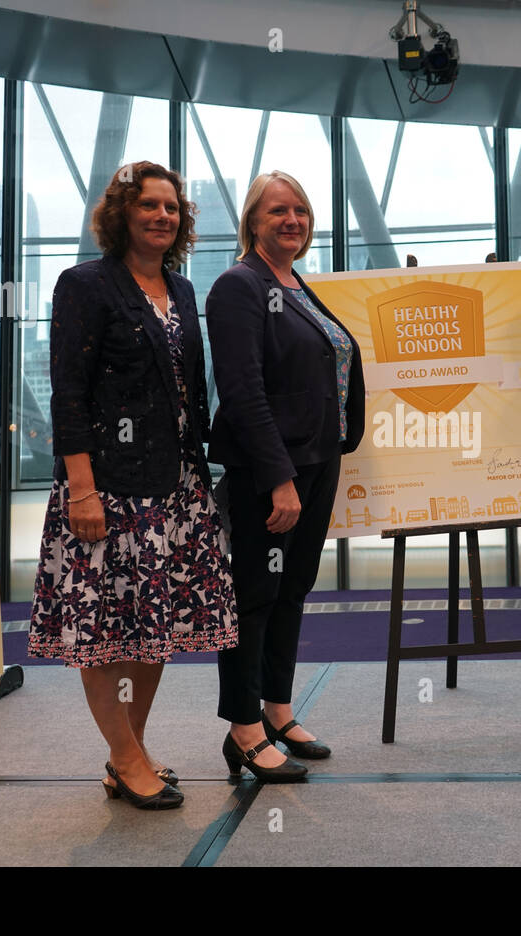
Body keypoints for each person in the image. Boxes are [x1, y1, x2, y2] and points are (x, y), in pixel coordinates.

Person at [28, 161, 238, 808]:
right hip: (108, 490)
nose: (162, 215)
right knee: (102, 629)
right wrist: (82, 488)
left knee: (156, 626)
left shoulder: (180, 287)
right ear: (122, 213)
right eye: (149, 204)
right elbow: (69, 391)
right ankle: (123, 754)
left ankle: (132, 750)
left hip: (175, 487)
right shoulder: (85, 284)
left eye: (172, 207)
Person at [206, 171, 365, 783]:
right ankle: (243, 729)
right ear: (252, 220)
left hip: (316, 461)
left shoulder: (293, 283)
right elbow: (243, 391)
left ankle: (277, 710)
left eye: (300, 209)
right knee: (252, 597)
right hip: (270, 472)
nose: (291, 220)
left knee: (292, 589)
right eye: (277, 211)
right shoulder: (238, 286)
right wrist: (278, 477)